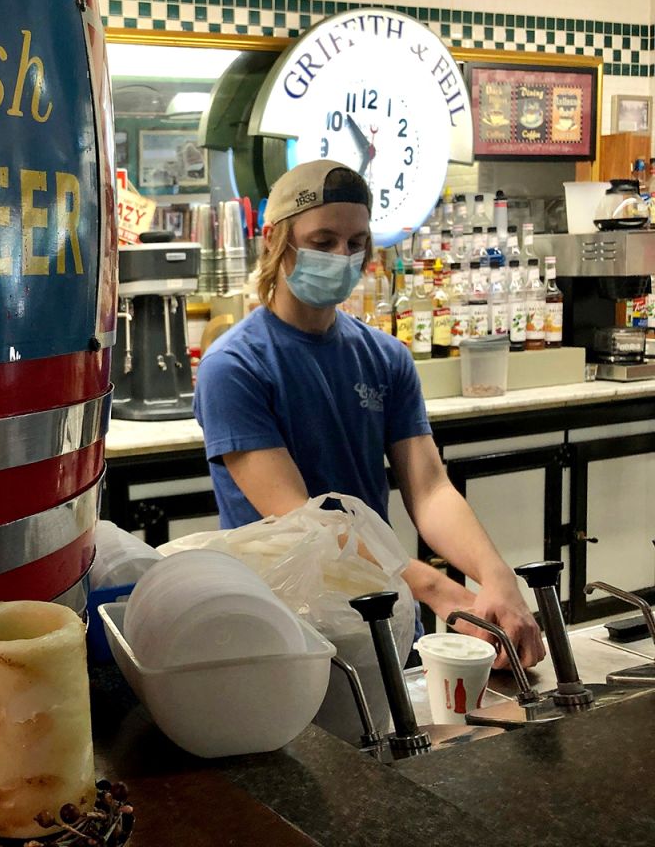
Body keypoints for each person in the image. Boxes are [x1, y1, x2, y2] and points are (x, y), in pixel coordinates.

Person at [193, 159, 545, 670]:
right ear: (274, 240)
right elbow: (302, 522)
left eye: (356, 243)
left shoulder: (385, 357)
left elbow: (430, 489)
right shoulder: (234, 367)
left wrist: (496, 577)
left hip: (384, 609)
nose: (342, 256)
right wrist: (441, 592)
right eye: (323, 241)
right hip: (283, 621)